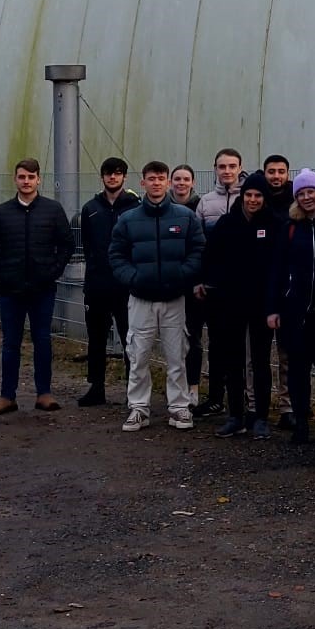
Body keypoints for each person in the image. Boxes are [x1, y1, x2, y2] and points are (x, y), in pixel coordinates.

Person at [110, 160, 205, 431]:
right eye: (151, 178)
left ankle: (179, 408)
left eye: (161, 178)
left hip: (175, 299)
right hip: (141, 299)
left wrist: (182, 275)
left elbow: (198, 249)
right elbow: (116, 255)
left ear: (167, 182)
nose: (156, 183)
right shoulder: (128, 220)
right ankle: (138, 407)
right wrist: (134, 278)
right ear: (143, 183)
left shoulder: (185, 217)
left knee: (177, 356)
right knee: (138, 356)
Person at [0, 159, 75, 416]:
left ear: (39, 179)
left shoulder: (52, 210)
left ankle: (44, 393)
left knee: (42, 340)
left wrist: (53, 271)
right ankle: (7, 396)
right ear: (15, 179)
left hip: (43, 289)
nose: (26, 181)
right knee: (11, 343)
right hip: (11, 290)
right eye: (22, 176)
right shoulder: (2, 213)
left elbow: (67, 244)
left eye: (31, 177)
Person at [203, 174, 280, 437]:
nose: (253, 200)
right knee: (232, 360)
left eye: (258, 196)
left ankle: (260, 417)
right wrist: (211, 284)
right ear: (242, 196)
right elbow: (211, 257)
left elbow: (276, 267)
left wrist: (273, 304)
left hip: (261, 304)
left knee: (259, 361)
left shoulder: (273, 224)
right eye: (249, 195)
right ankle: (235, 414)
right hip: (230, 302)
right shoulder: (227, 223)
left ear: (264, 198)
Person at [267, 169, 315, 443]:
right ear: (296, 197)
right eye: (301, 193)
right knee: (297, 370)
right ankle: (301, 424)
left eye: (311, 192)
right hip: (294, 310)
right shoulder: (290, 227)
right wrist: (273, 307)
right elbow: (277, 268)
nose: (307, 197)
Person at [78, 158, 139, 407]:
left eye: (117, 173)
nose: (112, 178)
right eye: (108, 174)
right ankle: (97, 387)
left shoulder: (135, 207)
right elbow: (88, 244)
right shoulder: (90, 208)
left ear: (124, 177)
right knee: (96, 338)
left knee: (130, 339)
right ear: (101, 177)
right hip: (97, 285)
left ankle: (132, 388)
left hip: (126, 286)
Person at [188, 148, 244, 415]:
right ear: (215, 169)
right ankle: (215, 398)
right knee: (217, 345)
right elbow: (198, 246)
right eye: (222, 167)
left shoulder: (251, 199)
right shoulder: (205, 203)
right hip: (214, 287)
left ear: (240, 167)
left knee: (242, 347)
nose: (227, 171)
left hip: (243, 288)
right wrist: (200, 280)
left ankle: (243, 401)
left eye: (232, 166)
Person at [255, 153, 297, 425]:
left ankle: (287, 407)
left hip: (286, 288)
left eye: (281, 171)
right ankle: (256, 407)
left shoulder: (297, 202)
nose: (276, 176)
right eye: (271, 171)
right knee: (256, 355)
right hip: (258, 288)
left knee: (287, 354)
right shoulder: (256, 200)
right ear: (265, 173)